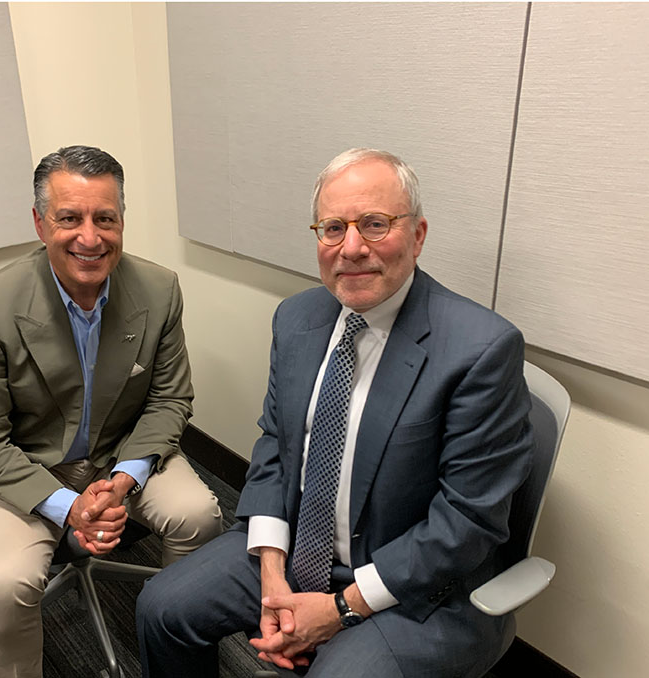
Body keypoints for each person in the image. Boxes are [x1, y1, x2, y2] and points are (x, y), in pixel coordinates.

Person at [136, 148, 533, 678]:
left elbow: (466, 522)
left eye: (374, 224)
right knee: (161, 608)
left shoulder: (480, 350)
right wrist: (274, 574)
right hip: (301, 550)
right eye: (332, 227)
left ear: (417, 235)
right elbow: (276, 444)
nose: (351, 248)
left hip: (419, 587)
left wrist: (341, 607)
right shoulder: (297, 319)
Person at [0, 145, 222, 678]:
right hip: (27, 468)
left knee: (201, 516)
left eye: (105, 218)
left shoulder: (160, 289)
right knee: (6, 584)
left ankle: (176, 653)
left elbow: (170, 398)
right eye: (69, 218)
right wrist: (68, 507)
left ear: (122, 220)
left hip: (121, 453)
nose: (90, 237)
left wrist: (122, 479)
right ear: (39, 222)